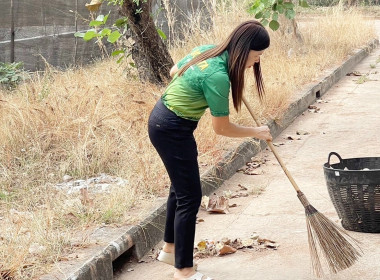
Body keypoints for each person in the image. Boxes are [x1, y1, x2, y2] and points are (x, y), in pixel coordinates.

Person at [148, 20, 272, 280]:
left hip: (164, 120)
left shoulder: (207, 51)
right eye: (257, 55)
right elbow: (222, 128)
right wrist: (256, 131)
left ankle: (170, 250)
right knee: (190, 197)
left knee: (181, 188)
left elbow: (173, 71)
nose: (257, 62)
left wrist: (198, 85)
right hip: (172, 128)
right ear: (245, 49)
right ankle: (183, 271)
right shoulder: (218, 77)